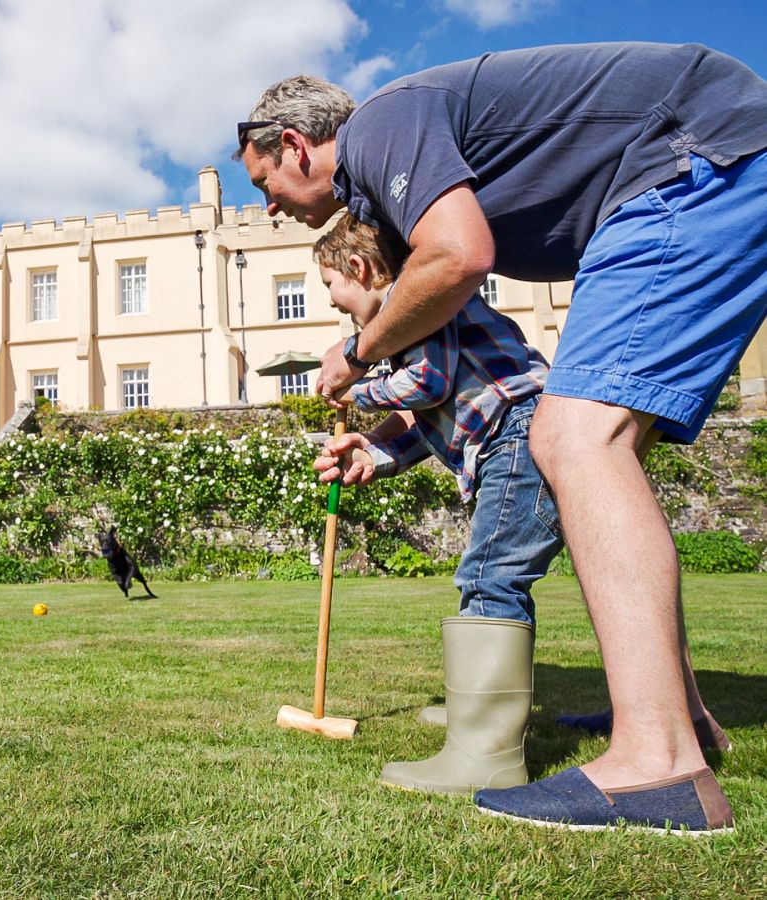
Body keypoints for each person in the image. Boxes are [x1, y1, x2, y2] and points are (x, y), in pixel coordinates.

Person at [236, 43, 767, 834]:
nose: (271, 206)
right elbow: (441, 371)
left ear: (296, 146)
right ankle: (675, 721)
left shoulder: (382, 125)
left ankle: (655, 765)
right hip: (690, 168)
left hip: (694, 162)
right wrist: (378, 446)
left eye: (265, 183)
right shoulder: (387, 210)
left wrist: (357, 351)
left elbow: (460, 257)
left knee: (577, 439)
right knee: (598, 451)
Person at [311, 214, 562, 795]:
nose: (331, 303)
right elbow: (430, 419)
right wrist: (374, 455)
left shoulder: (413, 299)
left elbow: (427, 385)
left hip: (519, 433)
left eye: (330, 286)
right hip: (511, 434)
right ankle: (480, 714)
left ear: (360, 268)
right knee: (487, 577)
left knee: (489, 576)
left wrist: (356, 384)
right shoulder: (408, 321)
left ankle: (489, 752)